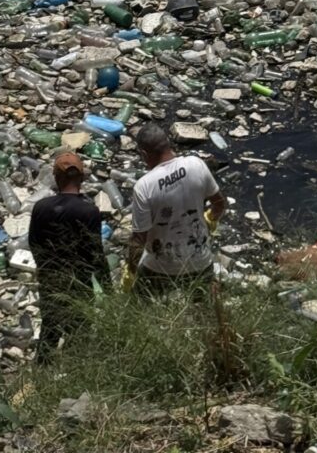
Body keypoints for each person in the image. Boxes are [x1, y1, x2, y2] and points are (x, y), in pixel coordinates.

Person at [28, 152, 111, 362]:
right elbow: (96, 254)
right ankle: (73, 378)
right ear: (82, 178)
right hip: (80, 285)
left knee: (49, 331)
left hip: (51, 283)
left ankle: (41, 375)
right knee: (79, 335)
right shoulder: (89, 211)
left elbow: (34, 243)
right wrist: (108, 289)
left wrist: (45, 270)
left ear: (56, 178)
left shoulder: (41, 208)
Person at [128, 124, 226, 285]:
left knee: (139, 303)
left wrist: (131, 271)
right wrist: (210, 218)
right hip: (201, 262)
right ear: (169, 144)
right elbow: (220, 203)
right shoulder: (196, 164)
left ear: (144, 154)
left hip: (160, 269)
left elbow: (139, 239)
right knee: (205, 307)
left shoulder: (144, 186)